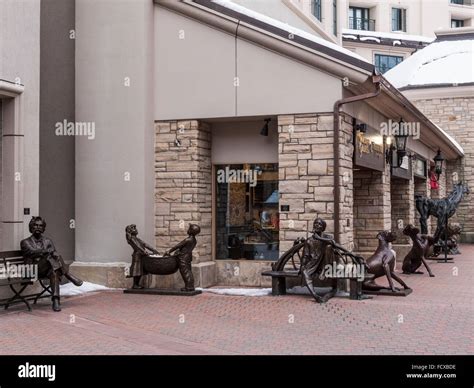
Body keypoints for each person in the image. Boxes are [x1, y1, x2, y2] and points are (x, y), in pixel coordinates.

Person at [20, 216, 83, 312]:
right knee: (50, 257)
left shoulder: (48, 241)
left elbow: (55, 254)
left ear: (43, 228)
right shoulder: (25, 242)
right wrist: (47, 252)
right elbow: (34, 252)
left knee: (54, 271)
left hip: (47, 269)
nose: (38, 227)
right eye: (35, 225)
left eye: (40, 226)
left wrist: (51, 253)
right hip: (32, 270)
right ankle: (67, 274)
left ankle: (56, 300)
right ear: (31, 227)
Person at [301, 218, 365, 303]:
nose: (317, 225)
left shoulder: (327, 237)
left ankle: (325, 270)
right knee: (305, 272)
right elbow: (305, 255)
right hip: (313, 264)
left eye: (319, 224)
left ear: (323, 227)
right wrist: (302, 264)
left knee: (328, 246)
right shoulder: (309, 241)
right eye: (315, 223)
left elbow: (332, 242)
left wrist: (319, 238)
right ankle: (315, 296)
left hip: (326, 264)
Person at [164, 224, 200, 292]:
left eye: (189, 228)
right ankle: (190, 286)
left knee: (184, 271)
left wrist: (169, 251)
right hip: (188, 257)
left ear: (191, 231)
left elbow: (177, 246)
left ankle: (188, 287)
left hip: (183, 257)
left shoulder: (188, 239)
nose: (187, 230)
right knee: (188, 271)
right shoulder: (194, 240)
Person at [125, 224, 160, 289]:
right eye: (134, 229)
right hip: (137, 256)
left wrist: (153, 250)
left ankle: (137, 284)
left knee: (139, 271)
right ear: (131, 231)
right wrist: (144, 252)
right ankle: (135, 285)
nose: (136, 230)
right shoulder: (132, 239)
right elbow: (137, 247)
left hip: (141, 256)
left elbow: (145, 244)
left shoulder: (137, 238)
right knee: (136, 271)